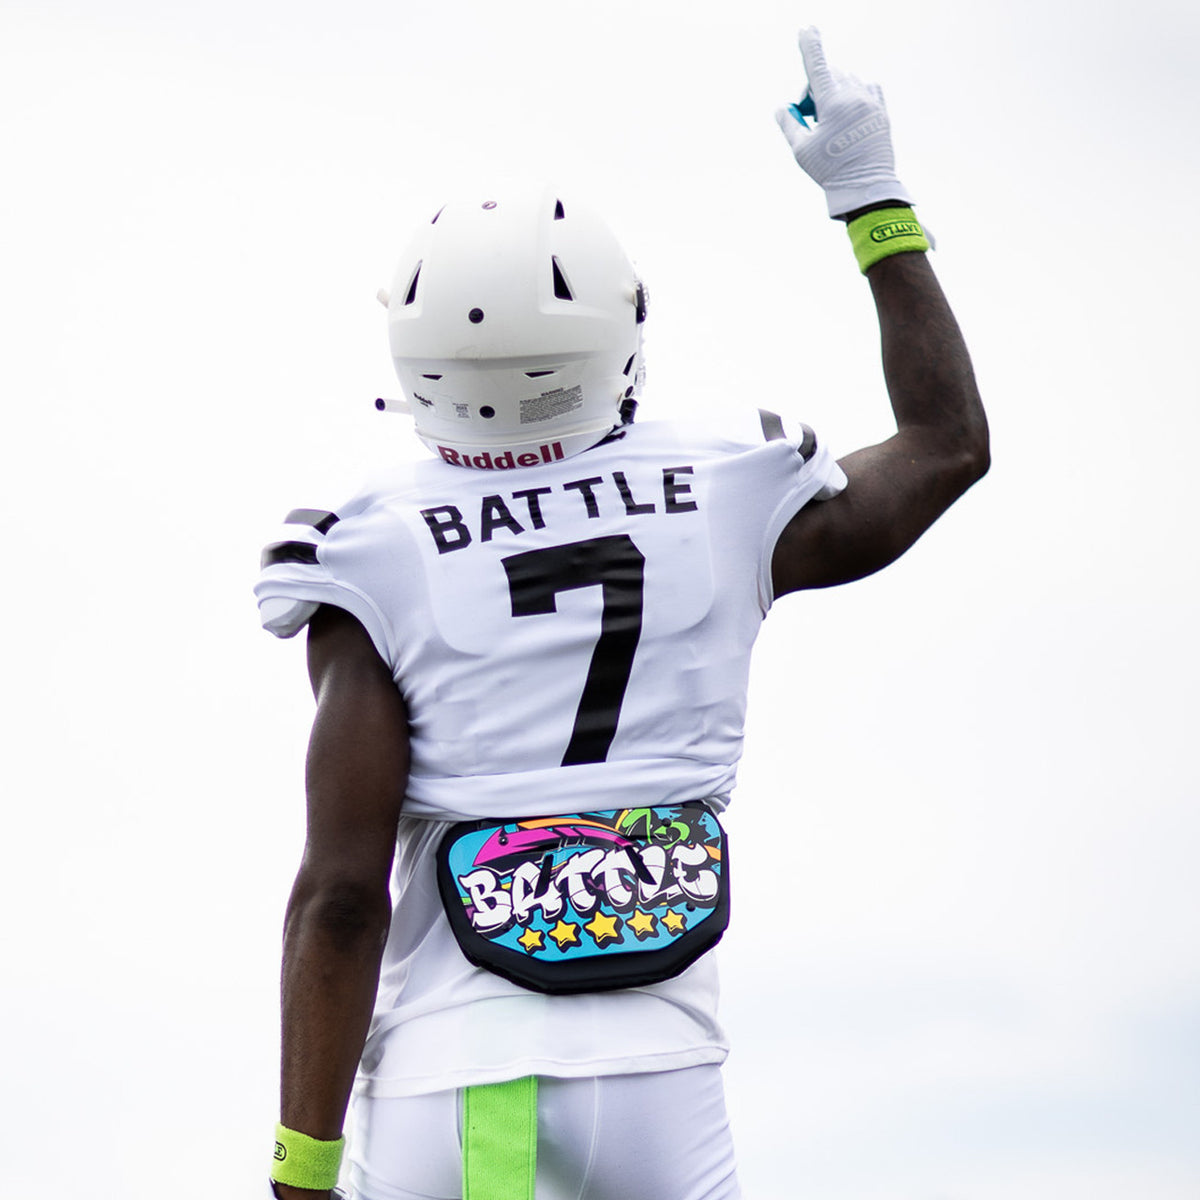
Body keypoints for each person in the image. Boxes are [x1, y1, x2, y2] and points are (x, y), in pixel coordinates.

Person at [255, 26, 989, 1200]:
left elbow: (343, 897)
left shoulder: (373, 546)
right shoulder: (727, 488)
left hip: (466, 1078)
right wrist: (870, 196)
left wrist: (300, 1174)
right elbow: (947, 445)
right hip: (666, 1082)